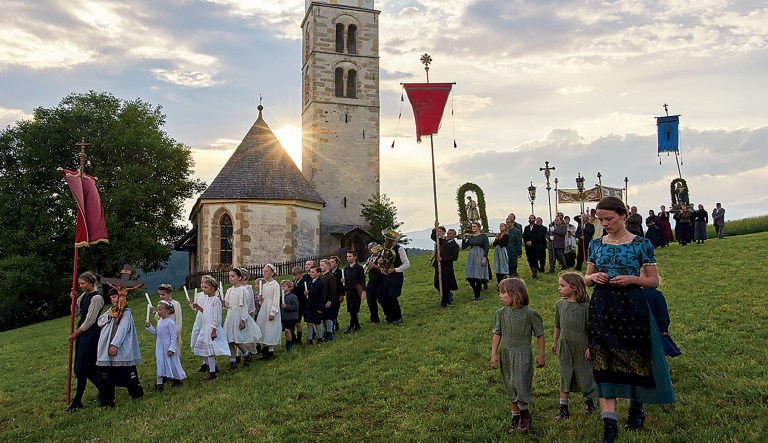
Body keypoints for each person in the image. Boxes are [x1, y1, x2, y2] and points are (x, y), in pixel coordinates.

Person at [584, 196, 674, 443]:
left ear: (623, 215)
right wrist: (594, 278)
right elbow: (585, 278)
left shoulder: (641, 244)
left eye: (609, 218)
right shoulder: (596, 245)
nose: (605, 223)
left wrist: (632, 279)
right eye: (601, 219)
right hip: (602, 306)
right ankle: (609, 426)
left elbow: (654, 281)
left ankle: (636, 409)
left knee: (635, 359)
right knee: (603, 360)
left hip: (632, 306)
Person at [490, 278, 545, 433]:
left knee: (520, 384)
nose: (500, 296)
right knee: (510, 385)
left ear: (515, 294)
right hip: (506, 354)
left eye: (503, 292)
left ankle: (524, 414)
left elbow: (540, 335)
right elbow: (497, 333)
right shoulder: (500, 313)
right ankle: (516, 417)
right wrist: (494, 353)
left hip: (522, 354)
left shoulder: (530, 314)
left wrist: (541, 355)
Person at [551, 272, 597, 421]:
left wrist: (591, 347)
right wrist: (554, 342)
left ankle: (589, 402)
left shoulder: (585, 307)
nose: (559, 288)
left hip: (582, 347)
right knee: (565, 375)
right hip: (565, 345)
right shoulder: (560, 305)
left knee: (585, 374)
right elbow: (557, 326)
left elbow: (591, 330)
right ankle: (563, 408)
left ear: (575, 287)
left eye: (562, 285)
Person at [96, 288, 144, 407]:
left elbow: (123, 329)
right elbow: (99, 321)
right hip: (106, 349)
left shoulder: (126, 312)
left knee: (125, 374)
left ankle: (136, 393)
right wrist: (109, 315)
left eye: (115, 297)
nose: (113, 300)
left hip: (121, 349)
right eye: (111, 298)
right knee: (106, 376)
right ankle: (107, 401)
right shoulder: (111, 310)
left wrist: (115, 345)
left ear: (121, 297)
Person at [66, 272, 104, 412]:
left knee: (84, 366)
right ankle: (103, 390)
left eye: (83, 284)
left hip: (91, 333)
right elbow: (75, 313)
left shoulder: (97, 298)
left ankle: (77, 401)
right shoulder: (83, 296)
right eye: (80, 284)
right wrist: (73, 300)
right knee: (85, 367)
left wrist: (75, 333)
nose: (80, 286)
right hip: (82, 332)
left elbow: (91, 319)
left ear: (91, 283)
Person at [190, 275, 230, 383]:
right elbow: (207, 313)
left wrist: (213, 330)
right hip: (205, 327)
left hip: (211, 328)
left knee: (209, 352)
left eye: (206, 287)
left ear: (213, 288)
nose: (203, 289)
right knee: (201, 349)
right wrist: (199, 308)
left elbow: (217, 316)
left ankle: (212, 372)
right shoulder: (208, 300)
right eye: (203, 287)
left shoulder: (215, 300)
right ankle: (211, 367)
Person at [223, 267, 261, 370]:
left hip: (238, 315)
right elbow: (227, 305)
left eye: (233, 276)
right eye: (229, 276)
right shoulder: (229, 290)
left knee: (236, 338)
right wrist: (223, 302)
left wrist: (243, 319)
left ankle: (246, 353)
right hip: (230, 315)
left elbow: (244, 306)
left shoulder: (243, 290)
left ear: (239, 277)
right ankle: (233, 360)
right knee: (229, 339)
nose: (231, 278)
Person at [145, 300, 186, 392]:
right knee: (160, 363)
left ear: (167, 311)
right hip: (160, 346)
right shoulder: (159, 322)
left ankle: (177, 379)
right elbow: (157, 334)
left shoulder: (170, 323)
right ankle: (160, 384)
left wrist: (172, 348)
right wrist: (149, 327)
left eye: (160, 310)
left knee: (172, 363)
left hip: (168, 347)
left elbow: (173, 336)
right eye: (158, 309)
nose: (158, 312)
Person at [640, 269, 681, 358]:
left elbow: (662, 311)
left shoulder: (655, 294)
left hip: (654, 327)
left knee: (655, 349)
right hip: (639, 327)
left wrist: (664, 327)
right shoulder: (633, 294)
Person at [379, 234, 410, 324]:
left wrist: (395, 269)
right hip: (386, 275)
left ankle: (398, 316)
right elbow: (383, 262)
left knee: (392, 296)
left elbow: (407, 264)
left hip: (396, 275)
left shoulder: (400, 249)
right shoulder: (384, 250)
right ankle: (390, 316)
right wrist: (380, 262)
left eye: (389, 240)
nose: (386, 241)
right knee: (384, 297)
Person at [256, 264, 282, 360]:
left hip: (271, 308)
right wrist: (261, 299)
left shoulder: (275, 284)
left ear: (272, 273)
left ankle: (270, 351)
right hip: (264, 308)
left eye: (266, 271)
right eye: (263, 271)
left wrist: (273, 312)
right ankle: (264, 350)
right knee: (263, 327)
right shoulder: (264, 285)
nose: (264, 273)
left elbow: (275, 299)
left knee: (271, 329)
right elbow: (263, 301)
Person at [431, 227, 459, 308]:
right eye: (448, 233)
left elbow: (454, 257)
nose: (448, 235)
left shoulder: (455, 245)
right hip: (438, 266)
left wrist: (443, 259)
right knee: (436, 283)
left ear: (454, 235)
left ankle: (444, 302)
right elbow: (434, 237)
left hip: (447, 267)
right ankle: (447, 295)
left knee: (445, 285)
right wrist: (434, 229)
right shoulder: (443, 241)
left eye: (450, 234)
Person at [462, 221, 489, 301]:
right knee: (470, 275)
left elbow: (486, 247)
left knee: (478, 275)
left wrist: (484, 257)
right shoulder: (471, 237)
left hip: (480, 255)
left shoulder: (483, 236)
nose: (473, 228)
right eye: (472, 227)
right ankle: (475, 290)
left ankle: (477, 294)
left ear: (478, 227)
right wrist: (464, 239)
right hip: (472, 256)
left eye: (474, 226)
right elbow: (464, 247)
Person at [342, 250, 366, 333]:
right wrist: (343, 281)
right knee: (350, 309)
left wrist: (363, 291)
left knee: (354, 309)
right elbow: (345, 280)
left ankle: (352, 326)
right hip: (349, 291)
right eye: (347, 256)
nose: (348, 258)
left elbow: (362, 280)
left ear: (355, 257)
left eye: (350, 256)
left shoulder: (359, 268)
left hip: (357, 290)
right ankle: (357, 325)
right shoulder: (346, 268)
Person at [304, 265, 326, 344]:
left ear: (318, 273)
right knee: (309, 322)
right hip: (310, 305)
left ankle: (320, 338)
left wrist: (321, 308)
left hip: (317, 306)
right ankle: (309, 338)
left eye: (313, 272)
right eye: (310, 272)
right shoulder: (310, 282)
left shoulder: (321, 283)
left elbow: (323, 296)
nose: (311, 273)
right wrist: (307, 293)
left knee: (317, 322)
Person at [523, 215, 547, 280]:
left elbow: (539, 237)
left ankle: (535, 274)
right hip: (528, 248)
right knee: (530, 260)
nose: (530, 219)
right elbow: (524, 236)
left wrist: (532, 242)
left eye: (531, 218)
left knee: (535, 261)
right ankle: (532, 272)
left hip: (535, 247)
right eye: (529, 218)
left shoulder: (538, 228)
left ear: (534, 219)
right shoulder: (526, 228)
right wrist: (526, 242)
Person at [365, 242, 384, 321]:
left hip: (380, 280)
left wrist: (375, 266)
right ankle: (374, 317)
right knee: (370, 299)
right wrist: (366, 266)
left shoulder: (382, 257)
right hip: (371, 281)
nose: (370, 251)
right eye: (369, 250)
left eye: (371, 249)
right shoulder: (370, 258)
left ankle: (389, 315)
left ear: (376, 248)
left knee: (382, 300)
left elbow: (384, 269)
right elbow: (366, 269)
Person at [319, 259, 337, 341]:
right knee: (324, 316)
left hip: (329, 300)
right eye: (320, 265)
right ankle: (326, 332)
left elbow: (332, 290)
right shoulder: (322, 276)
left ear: (327, 266)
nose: (321, 267)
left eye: (322, 265)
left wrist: (329, 300)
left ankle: (329, 333)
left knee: (329, 316)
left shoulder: (331, 276)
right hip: (322, 299)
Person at [280, 280, 299, 353]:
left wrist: (287, 306)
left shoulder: (293, 297)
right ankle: (293, 341)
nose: (282, 287)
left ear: (290, 288)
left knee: (288, 330)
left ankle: (289, 346)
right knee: (287, 331)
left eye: (284, 286)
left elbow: (295, 307)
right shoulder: (281, 296)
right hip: (284, 317)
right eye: (281, 286)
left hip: (291, 317)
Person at [329, 256, 344, 332]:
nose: (330, 264)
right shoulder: (328, 272)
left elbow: (342, 285)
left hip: (337, 294)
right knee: (331, 311)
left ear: (337, 263)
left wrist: (342, 294)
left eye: (332, 262)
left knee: (335, 311)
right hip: (330, 295)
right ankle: (335, 324)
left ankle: (332, 328)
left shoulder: (340, 272)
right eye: (330, 262)